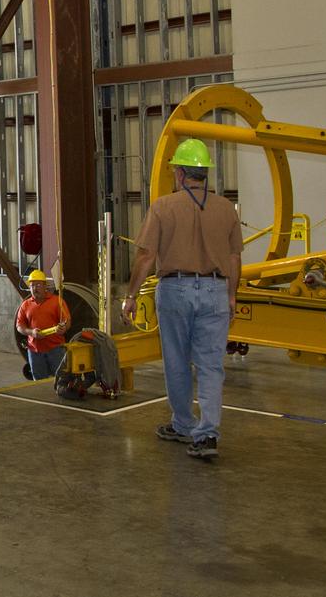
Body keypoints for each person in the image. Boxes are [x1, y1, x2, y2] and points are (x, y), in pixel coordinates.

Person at [121, 138, 241, 461]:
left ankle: (183, 423)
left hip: (175, 290)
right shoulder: (227, 209)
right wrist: (231, 296)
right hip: (216, 291)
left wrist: (131, 295)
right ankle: (208, 435)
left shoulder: (163, 207)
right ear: (205, 174)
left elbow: (146, 256)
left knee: (177, 360)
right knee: (211, 365)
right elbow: (233, 259)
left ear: (178, 173)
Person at [15, 269, 71, 380]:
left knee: (60, 380)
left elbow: (67, 321)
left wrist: (63, 328)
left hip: (56, 349)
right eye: (32, 285)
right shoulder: (25, 305)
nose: (35, 288)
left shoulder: (57, 301)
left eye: (38, 285)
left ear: (45, 286)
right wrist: (31, 332)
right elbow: (19, 326)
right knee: (39, 383)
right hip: (34, 351)